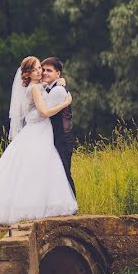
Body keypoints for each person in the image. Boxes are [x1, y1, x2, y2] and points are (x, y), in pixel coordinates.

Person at [0, 56, 78, 225]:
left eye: (41, 69)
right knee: (36, 169)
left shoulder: (37, 86)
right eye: (37, 69)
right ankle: (33, 209)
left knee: (38, 169)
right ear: (28, 73)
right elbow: (44, 112)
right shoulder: (35, 88)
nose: (40, 72)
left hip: (40, 130)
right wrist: (66, 103)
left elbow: (45, 91)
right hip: (38, 129)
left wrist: (60, 80)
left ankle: (37, 206)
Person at [41, 57, 76, 198]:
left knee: (64, 172)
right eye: (43, 70)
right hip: (54, 137)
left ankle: (72, 205)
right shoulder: (47, 88)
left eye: (49, 70)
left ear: (58, 74)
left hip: (62, 137)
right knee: (55, 173)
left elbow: (44, 112)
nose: (44, 73)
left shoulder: (58, 91)